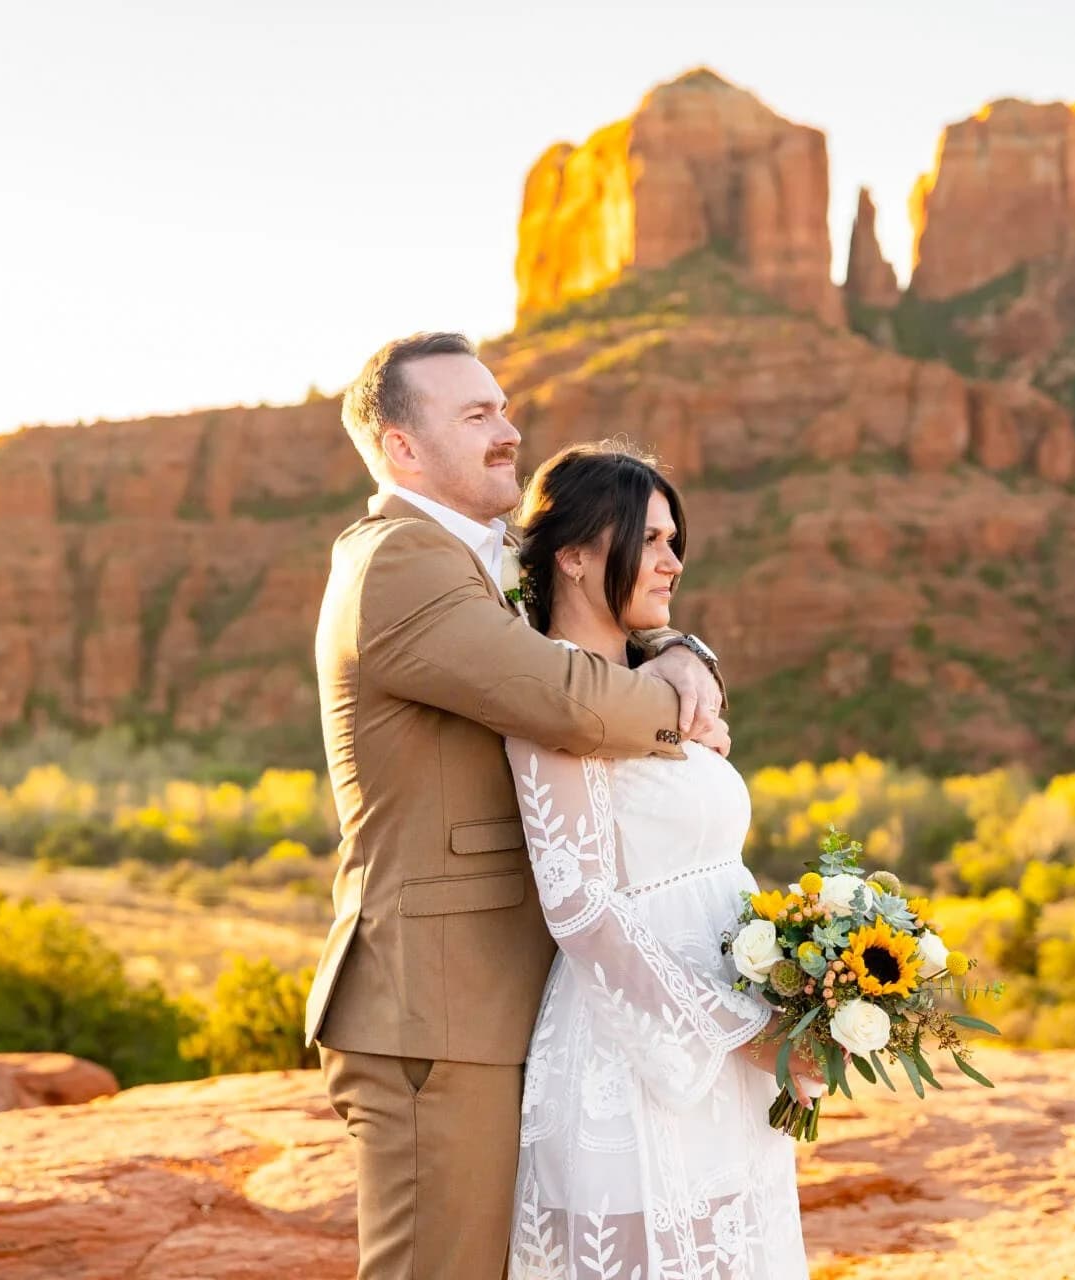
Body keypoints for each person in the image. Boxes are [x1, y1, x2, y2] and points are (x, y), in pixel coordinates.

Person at [307, 331, 729, 1278]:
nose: (509, 431)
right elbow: (567, 698)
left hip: (508, 1005)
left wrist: (678, 647)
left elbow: (599, 623)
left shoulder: (481, 564)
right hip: (436, 1009)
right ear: (401, 445)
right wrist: (684, 709)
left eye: (502, 408)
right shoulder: (399, 562)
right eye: (475, 416)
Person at [503, 442, 812, 1279]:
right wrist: (745, 1031)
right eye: (649, 540)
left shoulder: (659, 681)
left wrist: (797, 995)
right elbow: (578, 901)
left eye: (675, 541)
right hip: (635, 1056)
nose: (673, 562)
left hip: (729, 1050)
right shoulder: (550, 695)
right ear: (572, 554)